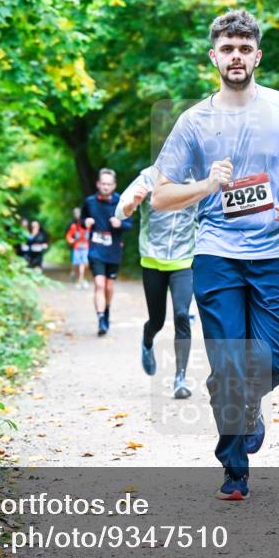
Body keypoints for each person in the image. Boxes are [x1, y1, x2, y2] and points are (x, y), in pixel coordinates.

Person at [152, 10, 279, 500]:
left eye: (244, 48)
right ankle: (235, 469)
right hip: (217, 254)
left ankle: (246, 403)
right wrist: (209, 183)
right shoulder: (194, 122)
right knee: (229, 365)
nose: (236, 56)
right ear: (214, 56)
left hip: (277, 253)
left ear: (258, 56)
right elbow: (161, 195)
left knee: (273, 361)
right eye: (227, 49)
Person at [115, 166, 196, 399]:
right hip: (152, 260)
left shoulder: (198, 178)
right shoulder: (149, 176)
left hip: (183, 260)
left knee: (182, 315)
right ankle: (147, 339)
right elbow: (120, 211)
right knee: (157, 320)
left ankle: (180, 378)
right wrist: (134, 203)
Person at [82, 168, 132, 336]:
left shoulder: (121, 202)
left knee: (109, 287)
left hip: (113, 251)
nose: (105, 187)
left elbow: (130, 224)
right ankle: (101, 318)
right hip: (95, 250)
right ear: (98, 184)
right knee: (99, 284)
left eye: (108, 184)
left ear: (114, 185)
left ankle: (107, 308)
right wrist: (86, 222)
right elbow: (82, 220)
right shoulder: (89, 202)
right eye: (103, 183)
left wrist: (120, 224)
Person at [65, 207, 90, 289]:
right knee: (77, 264)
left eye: (79, 213)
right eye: (76, 214)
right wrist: (71, 240)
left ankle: (80, 280)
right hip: (76, 248)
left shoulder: (88, 224)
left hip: (86, 247)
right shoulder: (72, 225)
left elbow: (92, 234)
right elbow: (68, 235)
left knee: (84, 264)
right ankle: (79, 277)